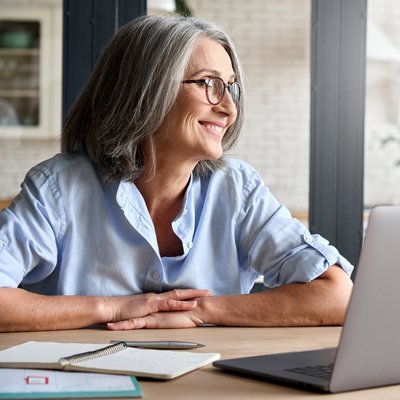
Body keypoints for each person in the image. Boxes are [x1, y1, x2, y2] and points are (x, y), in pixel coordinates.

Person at [0, 15, 353, 333]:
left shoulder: (236, 189)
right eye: (210, 84)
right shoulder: (59, 188)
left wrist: (201, 310)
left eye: (231, 88)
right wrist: (113, 306)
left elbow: (336, 294)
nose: (229, 108)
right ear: (146, 89)